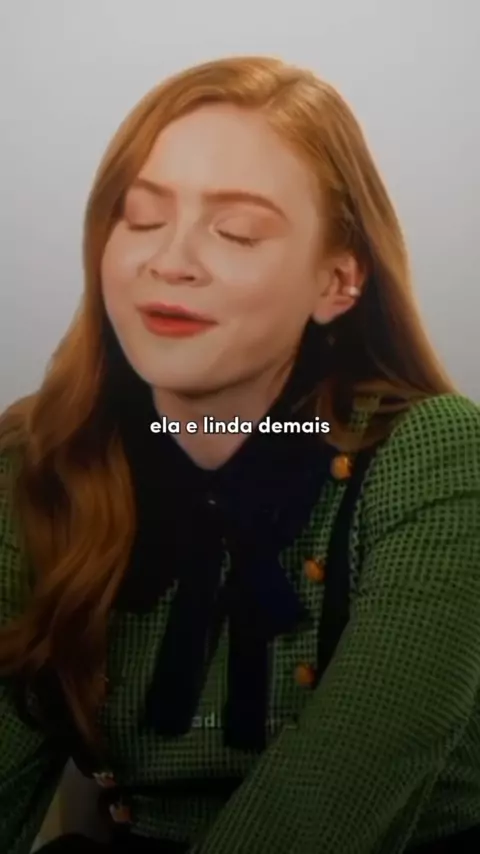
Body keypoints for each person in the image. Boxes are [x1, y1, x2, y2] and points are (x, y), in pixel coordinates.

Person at [1, 54, 480, 854]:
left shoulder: (437, 453)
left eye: (237, 232)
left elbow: (335, 798)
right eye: (141, 218)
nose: (170, 261)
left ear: (338, 281)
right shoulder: (39, 455)